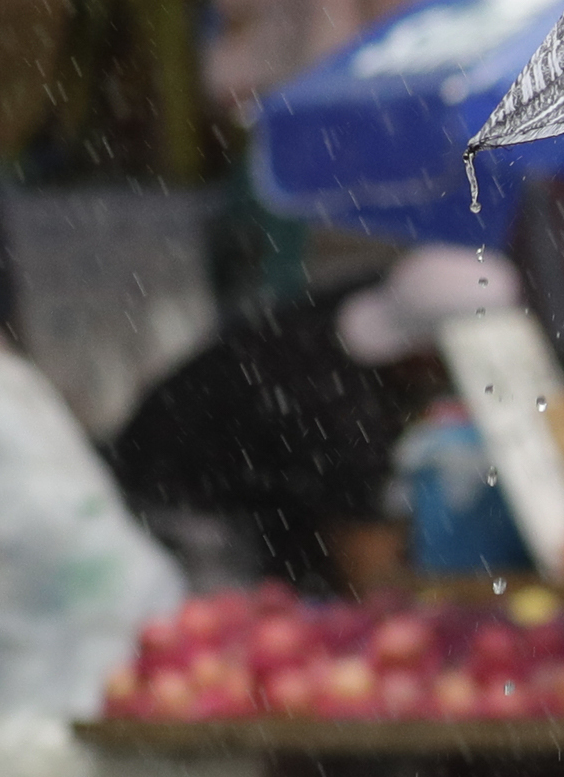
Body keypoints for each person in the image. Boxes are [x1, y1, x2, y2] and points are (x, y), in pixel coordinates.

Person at [106, 245, 512, 592]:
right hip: (176, 494)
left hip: (196, 445)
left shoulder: (362, 300)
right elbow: (368, 576)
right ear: (426, 358)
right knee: (234, 619)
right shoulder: (338, 413)